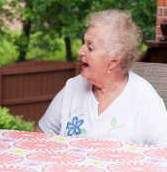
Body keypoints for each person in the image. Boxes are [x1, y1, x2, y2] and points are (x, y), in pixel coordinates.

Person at [34, 9, 167, 147]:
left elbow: (163, 155)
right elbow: (40, 137)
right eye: (84, 43)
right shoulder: (72, 87)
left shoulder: (145, 100)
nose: (80, 51)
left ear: (114, 59)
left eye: (90, 47)